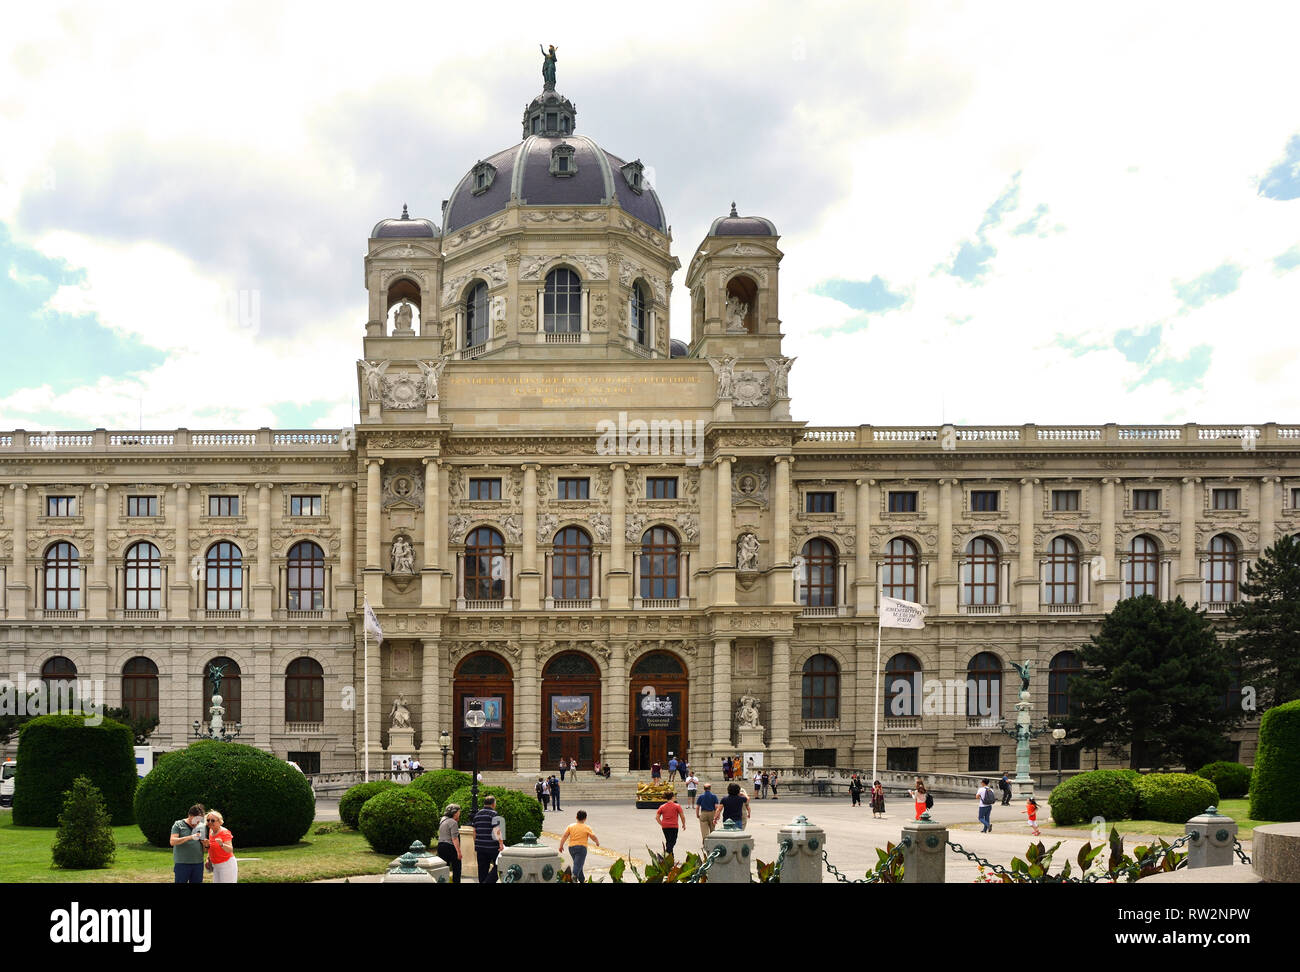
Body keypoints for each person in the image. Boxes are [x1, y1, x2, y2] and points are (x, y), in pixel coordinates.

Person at [169, 803, 207, 884]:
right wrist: (190, 837)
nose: (198, 822)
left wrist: (205, 844)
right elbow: (172, 841)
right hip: (182, 863)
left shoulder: (201, 826)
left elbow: (204, 849)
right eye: (196, 820)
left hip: (198, 863)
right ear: (190, 815)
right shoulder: (178, 824)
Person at [558, 810, 599, 882]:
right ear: (585, 818)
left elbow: (565, 836)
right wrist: (597, 842)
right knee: (578, 864)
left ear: (576, 817)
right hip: (581, 848)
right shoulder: (586, 827)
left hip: (571, 848)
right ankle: (573, 877)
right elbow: (593, 836)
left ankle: (582, 880)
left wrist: (561, 846)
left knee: (578, 864)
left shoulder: (571, 826)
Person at [473, 795, 505, 882]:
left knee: (482, 870)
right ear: (493, 804)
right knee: (500, 866)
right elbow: (497, 830)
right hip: (492, 847)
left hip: (480, 847)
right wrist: (501, 844)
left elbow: (474, 831)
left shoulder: (477, 814)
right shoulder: (494, 814)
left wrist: (476, 843)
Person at [203, 809, 237, 883]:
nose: (209, 822)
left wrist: (222, 844)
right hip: (216, 865)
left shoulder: (225, 832)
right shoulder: (211, 831)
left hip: (226, 865)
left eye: (212, 820)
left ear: (219, 821)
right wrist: (208, 858)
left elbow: (230, 850)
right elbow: (211, 848)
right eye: (208, 820)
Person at [437, 803, 463, 883]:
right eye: (459, 812)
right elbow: (454, 838)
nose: (459, 814)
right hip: (450, 847)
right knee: (457, 868)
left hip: (441, 846)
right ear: (455, 813)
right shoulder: (453, 823)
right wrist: (458, 852)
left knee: (444, 869)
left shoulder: (443, 819)